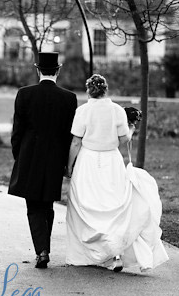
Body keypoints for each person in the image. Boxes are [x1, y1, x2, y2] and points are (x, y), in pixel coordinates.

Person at [65, 74, 169, 272]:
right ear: (106, 90)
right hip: (111, 162)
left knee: (87, 205)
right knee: (113, 205)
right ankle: (115, 254)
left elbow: (76, 142)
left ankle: (91, 254)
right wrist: (130, 127)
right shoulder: (117, 111)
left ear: (89, 91)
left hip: (88, 162)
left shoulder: (83, 111)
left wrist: (69, 166)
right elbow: (123, 140)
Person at [8, 52, 78, 269]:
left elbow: (17, 131)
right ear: (58, 70)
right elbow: (70, 134)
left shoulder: (24, 94)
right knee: (47, 204)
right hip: (54, 159)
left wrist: (18, 156)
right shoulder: (69, 98)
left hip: (29, 156)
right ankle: (43, 248)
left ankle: (42, 250)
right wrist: (66, 163)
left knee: (33, 206)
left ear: (38, 69)